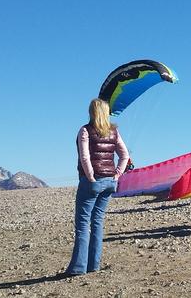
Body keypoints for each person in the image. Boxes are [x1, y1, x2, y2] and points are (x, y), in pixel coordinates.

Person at [66, 98, 129, 275]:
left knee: (83, 224)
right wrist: (116, 175)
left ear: (91, 112)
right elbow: (125, 155)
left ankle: (78, 268)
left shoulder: (85, 130)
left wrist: (91, 178)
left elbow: (85, 157)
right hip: (109, 182)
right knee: (98, 222)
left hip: (93, 182)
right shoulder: (114, 131)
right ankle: (94, 265)